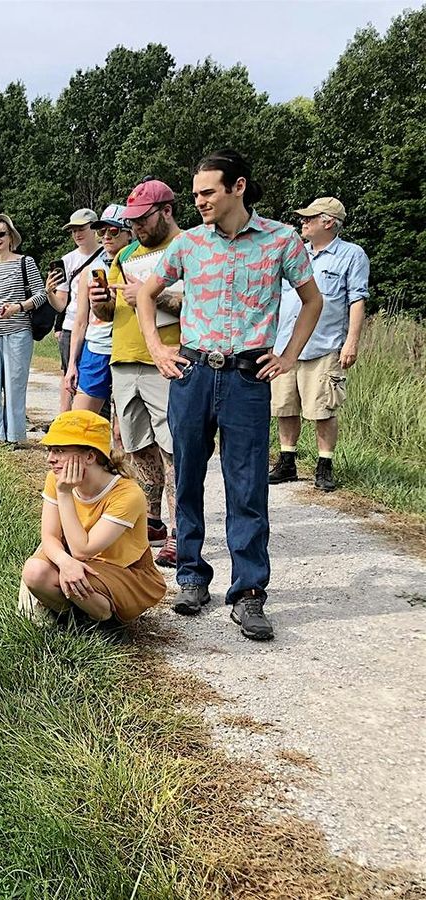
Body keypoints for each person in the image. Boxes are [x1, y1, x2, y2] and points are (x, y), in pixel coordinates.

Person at [136, 150, 324, 641]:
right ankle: (192, 577)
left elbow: (312, 301)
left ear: (237, 187)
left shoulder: (281, 239)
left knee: (247, 488)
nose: (198, 201)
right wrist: (158, 349)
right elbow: (146, 294)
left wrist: (286, 356)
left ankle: (248, 594)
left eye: (207, 192)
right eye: (195, 193)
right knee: (189, 477)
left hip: (247, 379)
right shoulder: (189, 245)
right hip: (193, 373)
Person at [90, 178, 183, 568]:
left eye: (143, 220)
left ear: (166, 211)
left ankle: (182, 531)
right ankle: (154, 520)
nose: (137, 228)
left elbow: (198, 306)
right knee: (136, 445)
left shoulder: (189, 248)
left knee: (173, 448)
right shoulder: (125, 253)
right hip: (124, 358)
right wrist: (101, 303)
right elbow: (110, 313)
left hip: (167, 359)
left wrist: (151, 293)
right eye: (133, 221)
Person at [18, 409, 166, 626]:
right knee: (34, 571)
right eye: (50, 450)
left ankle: (104, 620)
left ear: (90, 456)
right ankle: (74, 619)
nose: (50, 459)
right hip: (80, 564)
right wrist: (64, 561)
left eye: (59, 451)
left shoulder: (127, 494)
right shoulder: (56, 478)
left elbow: (82, 549)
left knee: (75, 579)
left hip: (122, 570)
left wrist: (65, 494)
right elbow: (49, 536)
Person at [268, 197, 369, 492]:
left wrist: (351, 341)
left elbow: (357, 299)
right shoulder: (296, 253)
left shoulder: (351, 254)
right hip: (285, 345)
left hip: (324, 346)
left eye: (309, 218)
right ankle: (287, 462)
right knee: (285, 405)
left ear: (328, 222)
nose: (303, 221)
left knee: (323, 409)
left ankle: (325, 466)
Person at [0, 213, 59, 447]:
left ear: (11, 237)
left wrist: (18, 307)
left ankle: (13, 436)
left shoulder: (25, 262)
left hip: (17, 331)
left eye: (1, 234)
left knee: (14, 384)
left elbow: (42, 294)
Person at [65, 205, 130, 418]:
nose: (106, 237)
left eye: (114, 231)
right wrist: (72, 364)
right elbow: (80, 321)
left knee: (124, 429)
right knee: (80, 420)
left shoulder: (137, 264)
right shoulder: (90, 271)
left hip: (127, 351)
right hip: (96, 349)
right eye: (101, 231)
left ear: (129, 232)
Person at [47, 209, 100, 413]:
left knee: (95, 378)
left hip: (99, 327)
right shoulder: (67, 260)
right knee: (68, 373)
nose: (77, 234)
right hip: (71, 326)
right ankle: (63, 419)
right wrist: (49, 292)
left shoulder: (109, 255)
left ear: (94, 228)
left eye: (81, 229)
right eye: (73, 230)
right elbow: (61, 304)